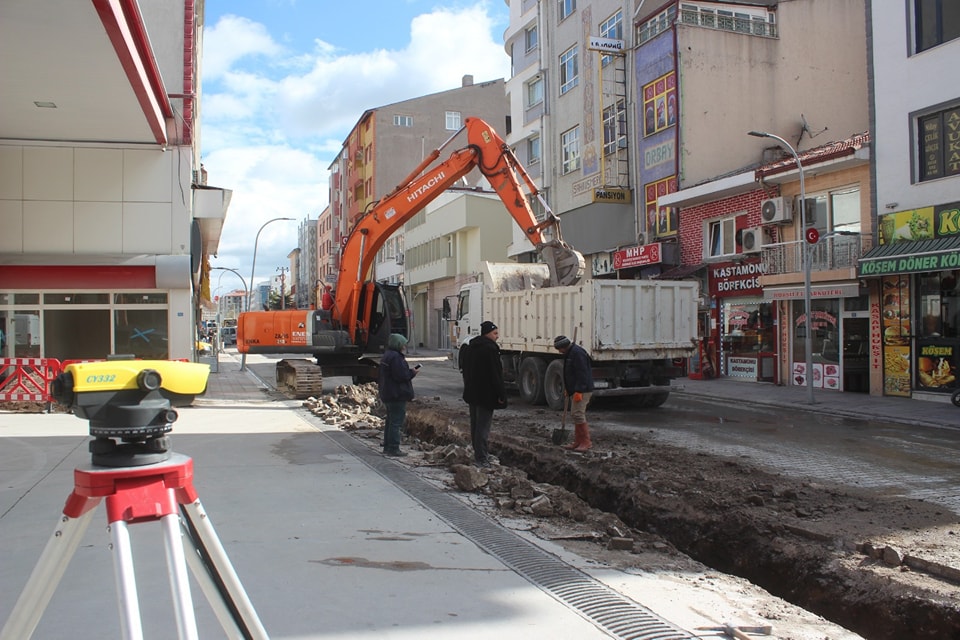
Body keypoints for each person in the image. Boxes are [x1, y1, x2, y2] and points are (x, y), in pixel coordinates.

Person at [461, 320, 507, 467]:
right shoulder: (490, 349)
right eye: (495, 333)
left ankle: (478, 453)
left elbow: (465, 370)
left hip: (472, 393)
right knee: (483, 426)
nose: (497, 336)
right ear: (487, 333)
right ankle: (481, 458)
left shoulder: (470, 347)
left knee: (475, 424)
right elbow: (495, 375)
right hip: (486, 394)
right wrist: (501, 394)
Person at [378, 333, 418, 457]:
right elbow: (401, 376)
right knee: (396, 422)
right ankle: (393, 448)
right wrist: (412, 372)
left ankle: (387, 446)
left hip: (388, 393)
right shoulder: (396, 358)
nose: (405, 347)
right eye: (403, 344)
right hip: (396, 394)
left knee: (390, 421)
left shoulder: (387, 356)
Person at [554, 335, 594, 451]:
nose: (559, 351)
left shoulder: (577, 353)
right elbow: (570, 373)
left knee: (578, 414)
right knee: (575, 415)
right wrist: (569, 388)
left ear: (563, 347)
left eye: (559, 349)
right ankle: (578, 441)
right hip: (575, 389)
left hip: (583, 390)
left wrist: (579, 390)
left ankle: (586, 442)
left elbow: (582, 373)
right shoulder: (570, 353)